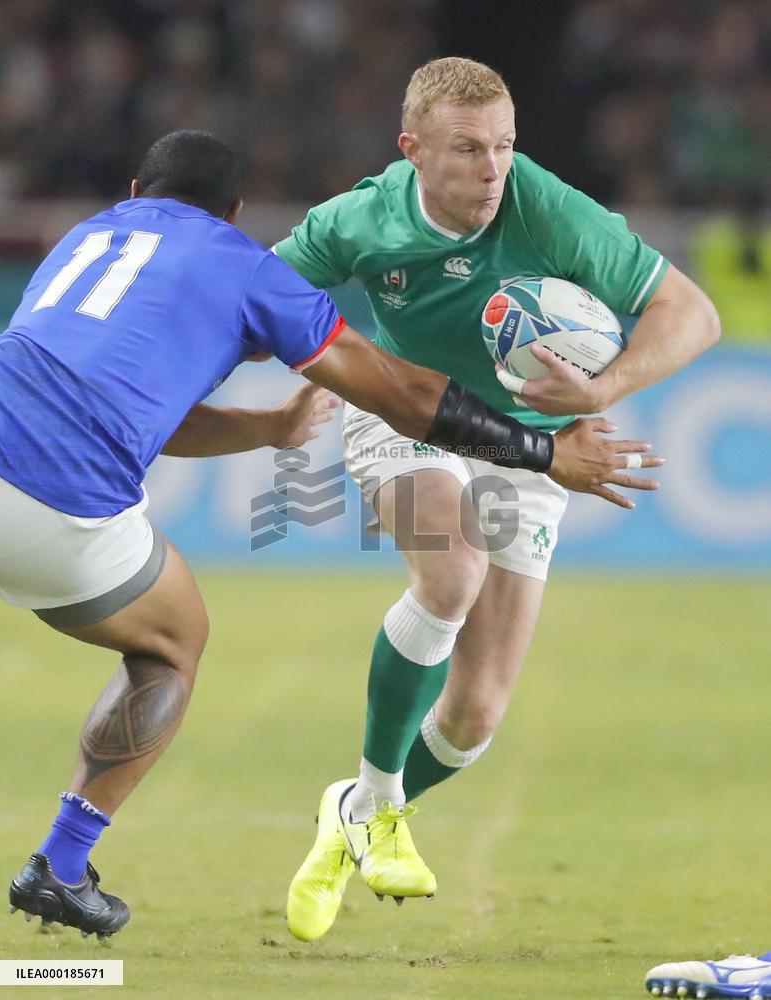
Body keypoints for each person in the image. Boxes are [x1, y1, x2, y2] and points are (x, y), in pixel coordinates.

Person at [1, 129, 652, 940]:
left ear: (135, 191)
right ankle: (62, 864)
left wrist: (270, 428)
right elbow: (401, 393)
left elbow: (126, 404)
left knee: (471, 682)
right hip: (59, 495)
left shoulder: (84, 237)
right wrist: (546, 451)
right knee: (172, 642)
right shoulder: (247, 266)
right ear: (237, 213)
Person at [275, 57, 720, 942]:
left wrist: (604, 389)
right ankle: (378, 806)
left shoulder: (542, 205)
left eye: (505, 148)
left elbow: (691, 312)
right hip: (407, 411)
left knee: (474, 718)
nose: (492, 170)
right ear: (412, 150)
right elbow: (254, 297)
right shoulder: (360, 219)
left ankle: (360, 809)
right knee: (452, 571)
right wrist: (299, 380)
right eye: (469, 149)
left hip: (535, 448)